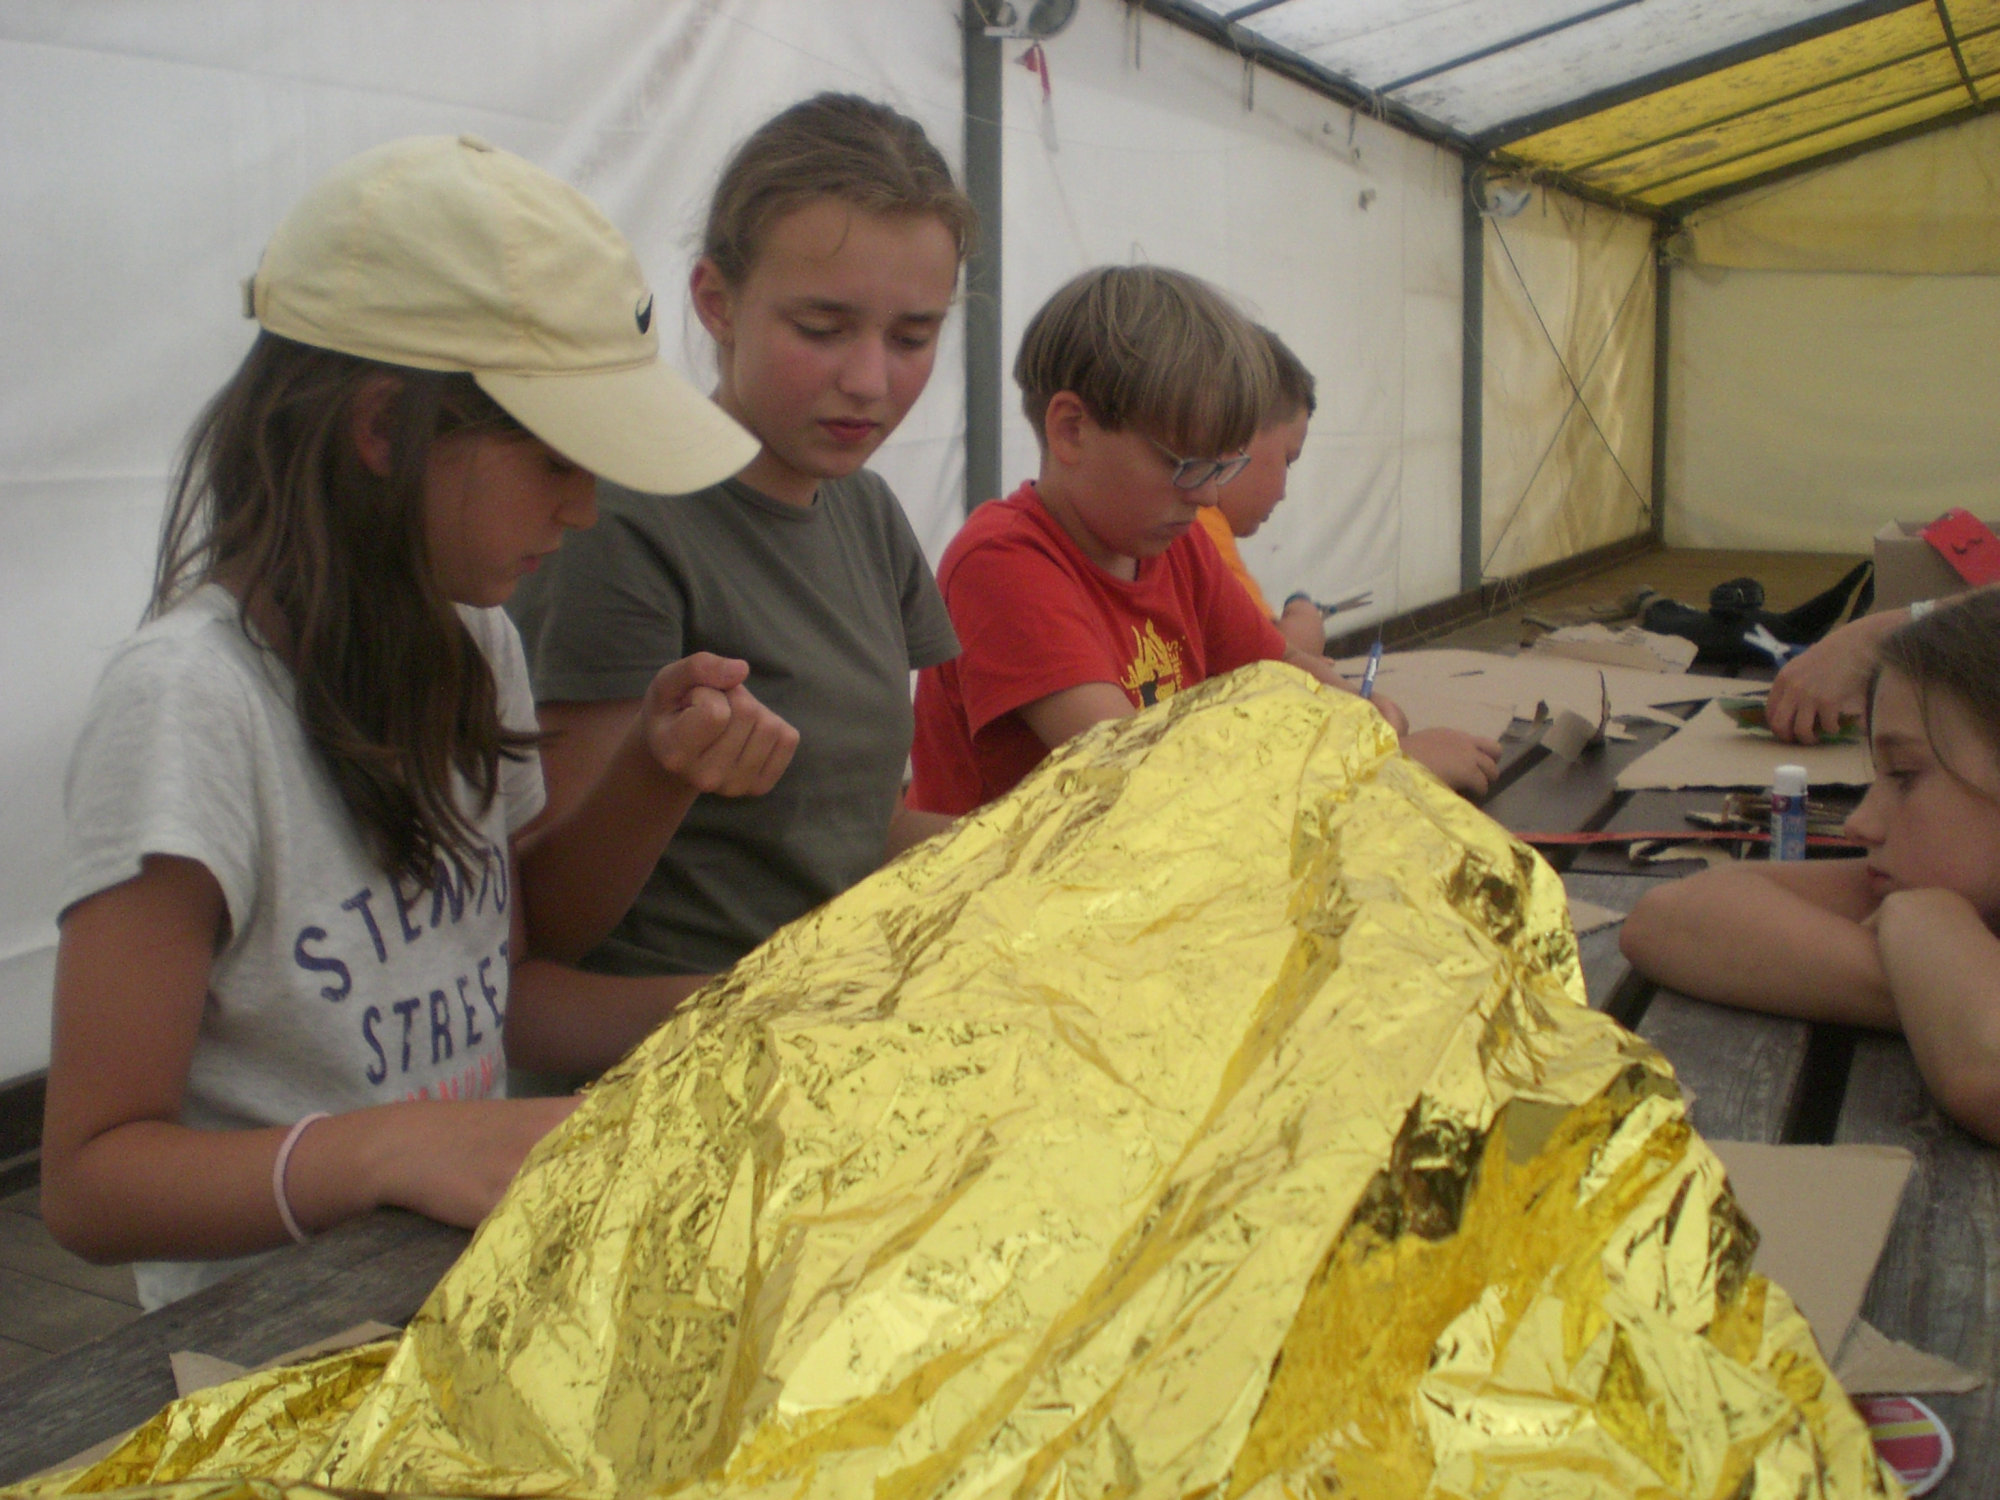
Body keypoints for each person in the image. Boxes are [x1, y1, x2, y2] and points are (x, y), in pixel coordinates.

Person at [44, 134, 796, 1306]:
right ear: (386, 430)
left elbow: (503, 981)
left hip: (449, 1300)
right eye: (556, 460)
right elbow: (93, 1184)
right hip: (269, 1347)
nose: (585, 508)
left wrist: (733, 992)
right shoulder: (187, 707)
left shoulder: (474, 641)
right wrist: (387, 1150)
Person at [508, 94, 969, 985]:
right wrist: (661, 770)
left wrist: (1052, 847)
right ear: (717, 302)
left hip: (839, 1008)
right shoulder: (621, 519)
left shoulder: (868, 513)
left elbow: (856, 832)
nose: (869, 379)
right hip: (679, 1040)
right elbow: (548, 918)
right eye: (822, 329)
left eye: (913, 336)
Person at [905, 266, 1501, 816]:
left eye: (1223, 468)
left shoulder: (1174, 546)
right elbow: (1142, 781)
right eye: (1188, 466)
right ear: (1072, 430)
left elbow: (1283, 666)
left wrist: (1361, 711)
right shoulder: (1003, 566)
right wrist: (1383, 770)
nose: (1210, 496)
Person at [1621, 590, 2000, 1144]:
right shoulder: (1942, 893)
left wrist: (1933, 947)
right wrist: (1935, 978)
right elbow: (1669, 916)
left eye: (1904, 775)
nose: (1859, 824)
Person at [1194, 324, 1324, 656]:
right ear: (1236, 435)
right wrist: (1305, 617)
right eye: (1288, 459)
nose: (1283, 493)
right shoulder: (1199, 525)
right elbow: (1273, 658)